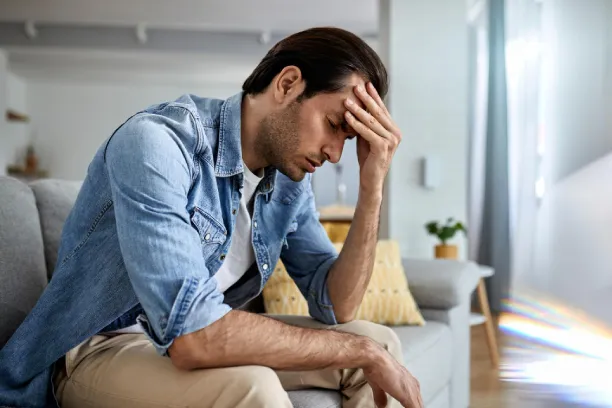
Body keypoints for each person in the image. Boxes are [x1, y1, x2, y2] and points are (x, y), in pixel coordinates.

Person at [0, 27, 423, 408]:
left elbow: (339, 305)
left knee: (378, 341)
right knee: (255, 385)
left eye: (347, 140)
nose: (334, 154)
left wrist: (373, 186)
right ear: (288, 83)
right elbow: (190, 336)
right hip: (96, 349)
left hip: (185, 341)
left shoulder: (290, 182)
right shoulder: (158, 143)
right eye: (333, 124)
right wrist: (358, 352)